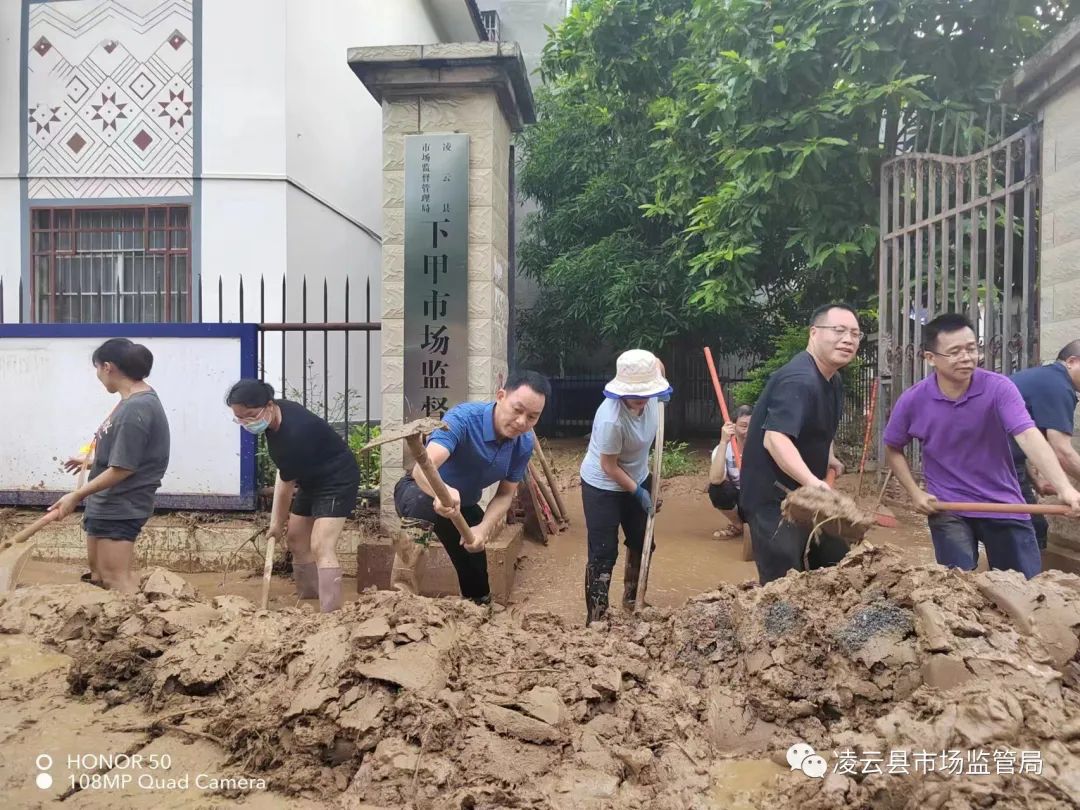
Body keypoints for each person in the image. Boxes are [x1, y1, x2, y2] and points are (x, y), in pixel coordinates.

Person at [884, 314, 1080, 579]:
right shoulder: (913, 400)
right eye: (955, 352)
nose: (966, 357)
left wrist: (1065, 488)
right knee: (955, 584)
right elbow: (893, 447)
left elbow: (1028, 435)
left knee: (1025, 585)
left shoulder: (998, 388)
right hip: (948, 506)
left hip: (1003, 502)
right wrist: (914, 492)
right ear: (930, 358)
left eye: (971, 348)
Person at [393, 371, 550, 605]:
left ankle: (476, 609)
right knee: (420, 504)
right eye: (517, 410)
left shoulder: (523, 443)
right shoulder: (463, 419)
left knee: (474, 556)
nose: (521, 422)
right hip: (420, 490)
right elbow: (422, 470)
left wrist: (483, 530)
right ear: (501, 396)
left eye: (532, 417)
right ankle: (401, 601)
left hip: (463, 505)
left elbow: (505, 494)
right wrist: (441, 492)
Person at [740, 304, 858, 585]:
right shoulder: (799, 380)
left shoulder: (832, 379)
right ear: (814, 333)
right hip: (774, 500)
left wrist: (829, 457)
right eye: (839, 331)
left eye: (855, 334)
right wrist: (814, 483)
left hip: (807, 495)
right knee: (784, 577)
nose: (848, 339)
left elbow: (819, 428)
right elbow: (775, 438)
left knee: (836, 562)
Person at [226, 379, 360, 612]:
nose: (247, 423)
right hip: (311, 478)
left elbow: (285, 486)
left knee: (321, 545)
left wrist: (277, 523)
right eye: (240, 418)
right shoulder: (275, 416)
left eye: (250, 416)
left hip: (336, 479)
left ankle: (332, 614)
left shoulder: (294, 434)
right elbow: (284, 473)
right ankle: (308, 601)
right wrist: (276, 526)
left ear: (269, 405)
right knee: (296, 539)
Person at [50, 338, 170, 593]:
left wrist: (76, 495)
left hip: (121, 504)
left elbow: (124, 468)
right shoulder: (132, 401)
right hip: (106, 503)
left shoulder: (136, 408)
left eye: (96, 368)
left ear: (107, 367)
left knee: (115, 579)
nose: (97, 375)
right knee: (98, 577)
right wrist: (94, 462)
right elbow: (131, 454)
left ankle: (138, 619)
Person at [579, 350, 671, 625]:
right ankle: (597, 616)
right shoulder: (612, 419)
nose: (641, 398)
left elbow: (657, 364)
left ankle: (633, 599)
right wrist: (638, 492)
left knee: (644, 541)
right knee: (604, 552)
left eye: (646, 391)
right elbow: (609, 466)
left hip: (639, 474)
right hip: (602, 484)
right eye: (635, 393)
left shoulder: (652, 397)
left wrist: (659, 382)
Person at [1009, 339, 1080, 549]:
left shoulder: (1043, 378)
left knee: (1022, 527)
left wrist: (1036, 481)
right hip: (994, 465)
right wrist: (1066, 489)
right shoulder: (1059, 387)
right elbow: (1062, 451)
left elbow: (1018, 440)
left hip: (999, 461)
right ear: (1071, 361)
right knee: (1031, 530)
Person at [709, 404, 752, 539]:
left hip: (758, 499)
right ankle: (738, 525)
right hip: (739, 500)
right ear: (733, 427)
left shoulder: (764, 447)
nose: (749, 431)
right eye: (744, 426)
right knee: (717, 489)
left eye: (753, 426)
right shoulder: (723, 450)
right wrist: (723, 441)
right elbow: (715, 479)